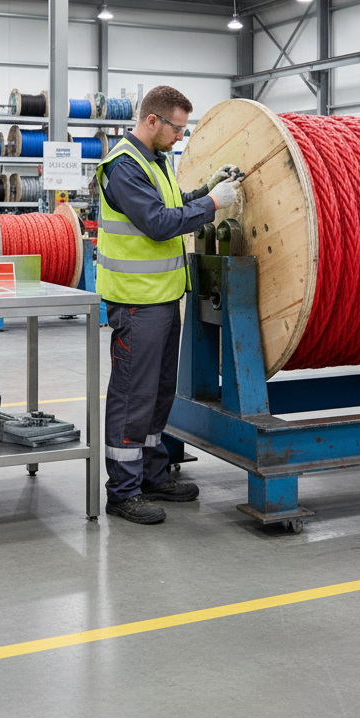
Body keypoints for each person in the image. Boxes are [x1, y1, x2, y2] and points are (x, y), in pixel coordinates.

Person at [96, 86, 242, 524]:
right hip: (136, 303)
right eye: (177, 128)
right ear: (152, 121)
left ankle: (151, 474)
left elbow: (173, 204)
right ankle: (122, 491)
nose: (180, 136)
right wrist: (214, 205)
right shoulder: (123, 167)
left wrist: (210, 186)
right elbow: (159, 223)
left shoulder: (155, 163)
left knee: (159, 394)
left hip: (161, 300)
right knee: (131, 396)